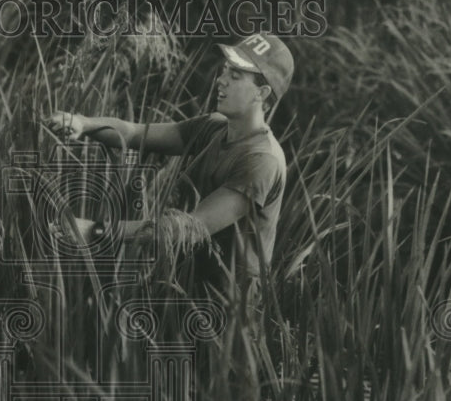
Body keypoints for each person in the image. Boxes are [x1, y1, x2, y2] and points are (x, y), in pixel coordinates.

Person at [45, 32, 293, 296]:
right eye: (224, 71)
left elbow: (189, 228)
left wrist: (96, 230)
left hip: (231, 307)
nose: (220, 81)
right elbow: (135, 133)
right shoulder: (213, 127)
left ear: (262, 93)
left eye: (235, 76)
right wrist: (84, 124)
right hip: (187, 284)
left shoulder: (262, 160)